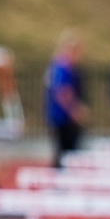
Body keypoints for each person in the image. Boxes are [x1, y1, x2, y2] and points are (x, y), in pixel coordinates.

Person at [44, 28, 87, 167]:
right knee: (65, 154)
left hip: (60, 117)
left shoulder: (61, 67)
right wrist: (75, 110)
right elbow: (62, 92)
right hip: (62, 118)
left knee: (64, 152)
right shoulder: (62, 67)